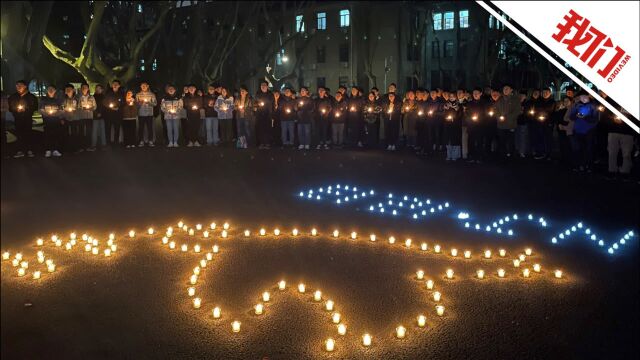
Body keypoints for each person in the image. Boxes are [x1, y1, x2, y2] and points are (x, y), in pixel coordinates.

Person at [568, 91, 599, 172]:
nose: (583, 98)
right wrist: (576, 115)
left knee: (588, 149)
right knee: (578, 149)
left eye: (585, 96)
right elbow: (571, 117)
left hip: (589, 131)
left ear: (588, 96)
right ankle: (579, 165)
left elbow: (595, 119)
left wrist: (585, 117)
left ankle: (588, 166)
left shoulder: (593, 106)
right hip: (578, 130)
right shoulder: (577, 105)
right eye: (581, 97)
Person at [8, 80, 38, 158]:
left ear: (25, 86)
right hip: (18, 119)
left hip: (27, 118)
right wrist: (16, 110)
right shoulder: (13, 96)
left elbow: (35, 107)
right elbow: (10, 107)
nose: (18, 87)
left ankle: (29, 150)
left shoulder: (31, 97)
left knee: (28, 134)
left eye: (20, 85)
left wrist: (26, 109)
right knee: (19, 134)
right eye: (17, 85)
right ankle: (20, 150)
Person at [606, 107, 635, 179]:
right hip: (613, 131)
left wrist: (627, 119)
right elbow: (606, 114)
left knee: (627, 154)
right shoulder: (613, 102)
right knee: (612, 152)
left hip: (628, 132)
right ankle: (612, 171)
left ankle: (625, 172)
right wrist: (612, 119)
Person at [495, 84, 521, 158]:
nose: (505, 90)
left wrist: (508, 118)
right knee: (502, 141)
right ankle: (502, 155)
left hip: (511, 124)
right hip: (501, 125)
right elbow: (495, 109)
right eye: (504, 89)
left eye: (507, 89)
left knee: (511, 141)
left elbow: (517, 111)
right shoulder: (499, 99)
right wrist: (499, 117)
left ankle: (511, 155)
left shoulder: (515, 99)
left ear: (511, 90)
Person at [39, 85, 64, 157]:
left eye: (52, 89)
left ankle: (55, 150)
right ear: (47, 90)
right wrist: (46, 114)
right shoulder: (43, 99)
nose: (51, 90)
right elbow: (40, 109)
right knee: (47, 134)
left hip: (56, 120)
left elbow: (62, 110)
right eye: (49, 89)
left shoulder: (58, 100)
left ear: (55, 91)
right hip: (47, 120)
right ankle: (48, 150)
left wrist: (56, 114)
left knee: (56, 134)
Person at [531, 87, 556, 160]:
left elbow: (551, 111)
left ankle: (548, 153)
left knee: (548, 139)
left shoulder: (552, 102)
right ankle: (540, 152)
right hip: (538, 122)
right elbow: (535, 110)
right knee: (539, 138)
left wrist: (549, 120)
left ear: (550, 93)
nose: (545, 94)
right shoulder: (538, 101)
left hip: (548, 123)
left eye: (547, 92)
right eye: (544, 92)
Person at [464, 88, 488, 162]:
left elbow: (486, 114)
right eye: (474, 93)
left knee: (480, 141)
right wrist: (471, 118)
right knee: (470, 141)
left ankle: (479, 156)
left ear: (481, 93)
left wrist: (479, 118)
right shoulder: (470, 103)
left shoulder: (484, 103)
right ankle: (471, 156)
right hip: (471, 125)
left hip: (480, 125)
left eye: (477, 93)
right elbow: (467, 113)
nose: (475, 94)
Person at [103, 79, 125, 146]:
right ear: (112, 85)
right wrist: (110, 107)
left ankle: (116, 142)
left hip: (118, 115)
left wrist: (118, 107)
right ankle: (108, 143)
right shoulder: (108, 93)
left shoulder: (121, 94)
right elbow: (104, 102)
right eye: (114, 84)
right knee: (108, 129)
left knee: (117, 129)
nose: (115, 85)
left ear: (119, 85)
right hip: (109, 114)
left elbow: (124, 103)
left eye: (116, 84)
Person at [76, 83, 96, 152]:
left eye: (86, 87)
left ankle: (88, 146)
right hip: (81, 116)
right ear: (81, 89)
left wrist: (90, 109)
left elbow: (95, 106)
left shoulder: (91, 97)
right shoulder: (78, 97)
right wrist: (82, 108)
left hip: (89, 116)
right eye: (83, 87)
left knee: (89, 132)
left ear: (88, 89)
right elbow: (77, 106)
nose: (84, 89)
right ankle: (81, 146)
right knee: (81, 131)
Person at [442, 91, 462, 160]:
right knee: (448, 140)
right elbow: (443, 114)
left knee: (455, 140)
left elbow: (460, 115)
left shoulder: (458, 104)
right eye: (450, 96)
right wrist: (445, 112)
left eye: (453, 96)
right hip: (448, 124)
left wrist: (457, 110)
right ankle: (449, 155)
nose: (451, 98)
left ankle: (455, 155)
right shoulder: (446, 105)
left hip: (455, 125)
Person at [136, 81, 157, 147]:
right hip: (141, 114)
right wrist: (140, 103)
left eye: (145, 86)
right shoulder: (138, 94)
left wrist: (149, 103)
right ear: (140, 87)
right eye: (142, 86)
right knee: (141, 128)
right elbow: (136, 105)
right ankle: (141, 141)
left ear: (147, 86)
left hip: (149, 114)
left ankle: (150, 141)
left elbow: (155, 103)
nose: (143, 87)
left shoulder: (152, 94)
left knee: (150, 128)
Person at [254, 80, 274, 149]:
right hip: (260, 114)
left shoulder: (270, 94)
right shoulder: (258, 93)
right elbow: (255, 103)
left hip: (267, 114)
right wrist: (257, 105)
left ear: (267, 86)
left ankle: (267, 143)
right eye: (262, 85)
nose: (263, 86)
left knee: (267, 129)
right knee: (261, 129)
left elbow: (272, 103)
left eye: (264, 85)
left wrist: (272, 114)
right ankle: (262, 143)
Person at [61, 84, 78, 152]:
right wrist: (62, 118)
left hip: (74, 118)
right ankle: (66, 148)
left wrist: (75, 111)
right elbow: (60, 109)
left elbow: (79, 107)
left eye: (70, 89)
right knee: (66, 133)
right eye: (67, 89)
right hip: (65, 118)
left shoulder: (76, 99)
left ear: (73, 90)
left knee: (74, 133)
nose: (68, 91)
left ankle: (74, 148)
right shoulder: (63, 99)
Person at [89, 85, 107, 151]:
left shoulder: (104, 97)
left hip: (102, 116)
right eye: (96, 88)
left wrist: (101, 113)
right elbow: (92, 105)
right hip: (95, 116)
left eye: (99, 88)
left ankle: (103, 145)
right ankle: (93, 145)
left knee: (102, 131)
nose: (97, 89)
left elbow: (105, 106)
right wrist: (96, 113)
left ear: (102, 89)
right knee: (94, 131)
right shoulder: (92, 97)